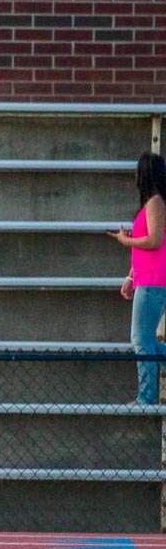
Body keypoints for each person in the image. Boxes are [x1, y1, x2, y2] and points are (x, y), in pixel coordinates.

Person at [108, 152, 166, 404]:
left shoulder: (155, 203)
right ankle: (145, 396)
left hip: (154, 281)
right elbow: (145, 249)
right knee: (146, 340)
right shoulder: (150, 204)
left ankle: (145, 398)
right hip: (146, 279)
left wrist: (125, 240)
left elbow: (154, 241)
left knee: (140, 339)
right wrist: (131, 276)